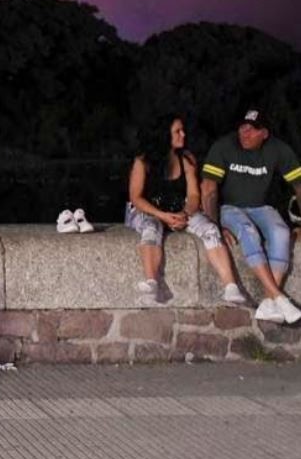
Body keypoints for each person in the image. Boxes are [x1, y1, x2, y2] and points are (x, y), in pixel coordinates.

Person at [127, 115, 246, 306]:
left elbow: (193, 195)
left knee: (210, 229)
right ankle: (152, 283)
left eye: (183, 130)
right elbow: (136, 197)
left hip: (178, 210)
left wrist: (185, 214)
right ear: (164, 135)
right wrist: (163, 216)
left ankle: (230, 286)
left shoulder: (187, 159)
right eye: (177, 131)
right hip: (148, 211)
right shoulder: (142, 161)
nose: (183, 134)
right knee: (151, 228)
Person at [201, 108, 301, 324]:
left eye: (252, 129)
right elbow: (208, 188)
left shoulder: (278, 149)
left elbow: (299, 186)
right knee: (248, 232)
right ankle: (279, 297)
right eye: (243, 127)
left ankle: (268, 302)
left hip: (260, 207)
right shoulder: (224, 146)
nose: (245, 133)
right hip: (229, 208)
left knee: (281, 232)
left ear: (264, 133)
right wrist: (215, 226)